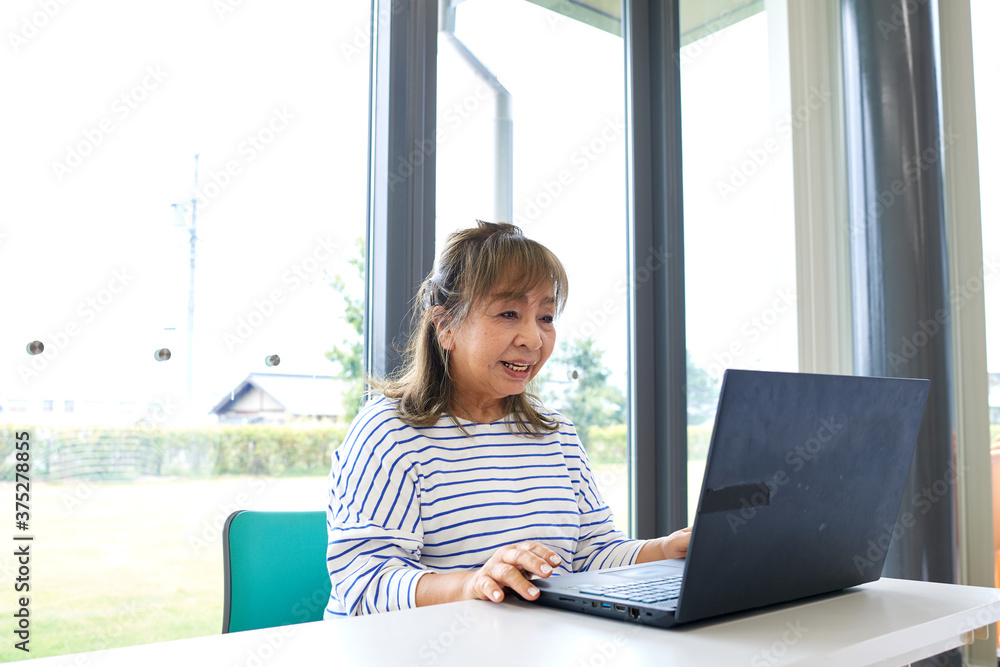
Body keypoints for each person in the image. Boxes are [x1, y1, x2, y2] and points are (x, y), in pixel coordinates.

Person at [324, 221, 691, 617]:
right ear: (445, 327)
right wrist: (472, 584)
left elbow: (592, 555)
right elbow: (365, 582)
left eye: (546, 317)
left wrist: (665, 549)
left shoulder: (556, 433)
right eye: (509, 313)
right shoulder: (389, 432)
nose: (533, 339)